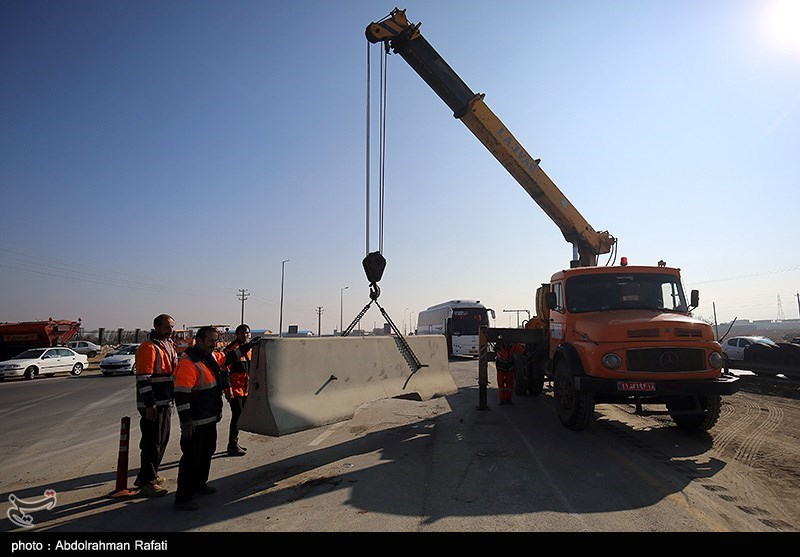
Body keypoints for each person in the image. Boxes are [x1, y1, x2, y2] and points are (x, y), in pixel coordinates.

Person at [173, 326, 255, 511]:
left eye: (215, 340)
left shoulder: (210, 357)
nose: (214, 344)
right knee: (191, 458)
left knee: (206, 453)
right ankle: (183, 497)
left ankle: (200, 484)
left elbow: (229, 357)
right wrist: (185, 421)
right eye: (210, 340)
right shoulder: (189, 363)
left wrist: (248, 346)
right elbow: (181, 395)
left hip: (210, 419)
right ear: (199, 341)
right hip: (195, 422)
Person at [134, 313, 178, 498]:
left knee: (161, 440)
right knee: (152, 443)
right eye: (167, 327)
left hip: (165, 401)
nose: (171, 330)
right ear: (157, 327)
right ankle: (147, 483)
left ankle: (148, 476)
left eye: (172, 327)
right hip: (153, 404)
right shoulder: (148, 348)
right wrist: (149, 405)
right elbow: (143, 379)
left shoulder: (167, 345)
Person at [223, 324, 253, 456]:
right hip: (235, 390)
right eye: (242, 333)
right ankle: (232, 445)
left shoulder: (250, 349)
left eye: (247, 333)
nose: (245, 335)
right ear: (237, 334)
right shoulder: (231, 350)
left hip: (245, 389)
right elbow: (224, 370)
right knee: (237, 416)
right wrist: (227, 388)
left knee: (240, 416)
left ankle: (235, 443)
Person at [494, 335, 524, 406]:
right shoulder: (499, 345)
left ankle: (508, 400)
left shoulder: (513, 346)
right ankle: (502, 400)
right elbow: (495, 349)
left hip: (509, 366)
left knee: (509, 384)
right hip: (501, 365)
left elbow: (521, 351)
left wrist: (527, 353)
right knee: (501, 384)